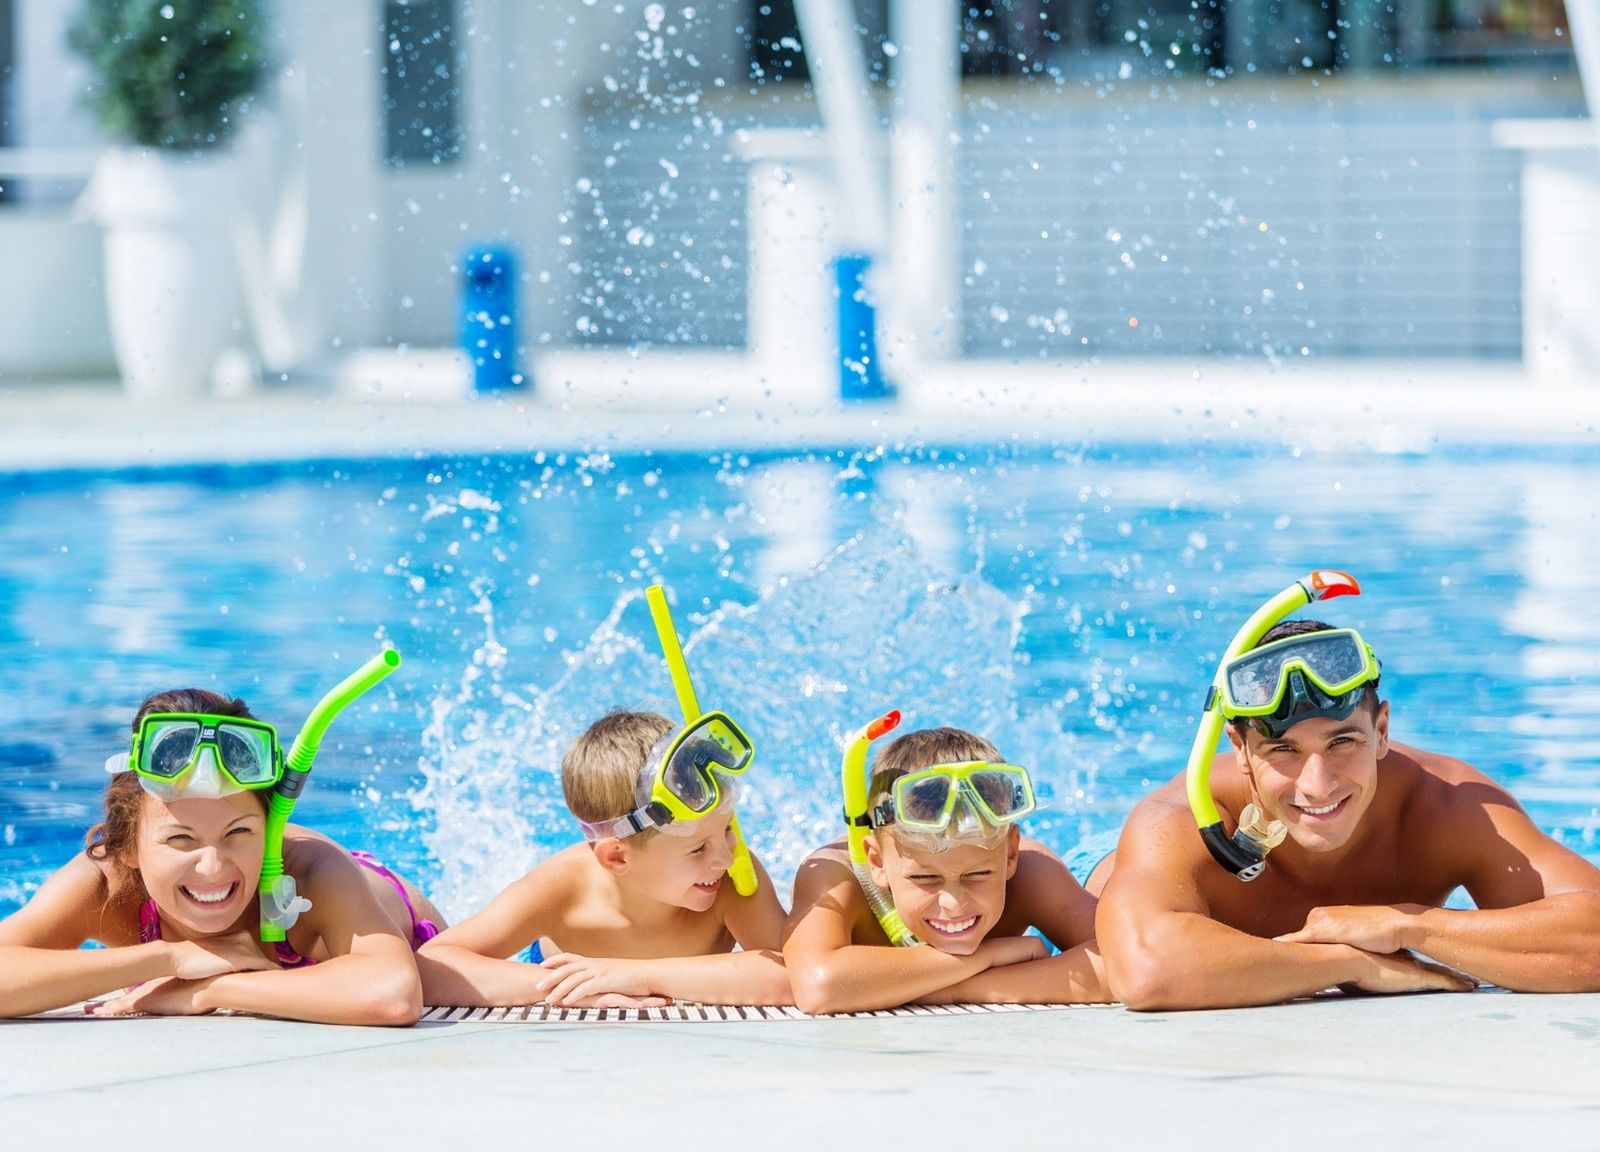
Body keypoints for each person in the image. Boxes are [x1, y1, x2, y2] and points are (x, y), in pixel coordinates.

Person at [1095, 601, 1600, 1011]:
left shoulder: (1445, 805)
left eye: (1342, 743)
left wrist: (1406, 922)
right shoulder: (1176, 818)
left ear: (1381, 731)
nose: (1318, 786)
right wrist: (1348, 962)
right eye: (1283, 750)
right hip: (1101, 865)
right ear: (1241, 750)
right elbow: (1146, 971)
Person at [0, 688, 438, 1025]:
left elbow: (392, 993)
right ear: (129, 847)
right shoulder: (108, 884)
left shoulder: (311, 870)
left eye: (239, 832)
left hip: (413, 937)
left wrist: (216, 990)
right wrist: (169, 958)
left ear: (271, 831)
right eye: (181, 839)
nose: (212, 866)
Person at [418, 709, 791, 1008]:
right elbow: (431, 967)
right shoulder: (562, 889)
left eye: (727, 830)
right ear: (616, 858)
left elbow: (794, 974)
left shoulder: (734, 876)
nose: (725, 857)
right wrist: (568, 989)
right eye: (698, 848)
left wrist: (638, 976)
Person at [782, 714, 1107, 1015]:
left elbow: (1123, 961)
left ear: (1009, 854)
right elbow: (818, 986)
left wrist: (959, 988)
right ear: (878, 862)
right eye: (925, 878)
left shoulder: (1030, 871)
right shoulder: (836, 879)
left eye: (978, 874)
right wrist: (987, 957)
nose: (953, 904)